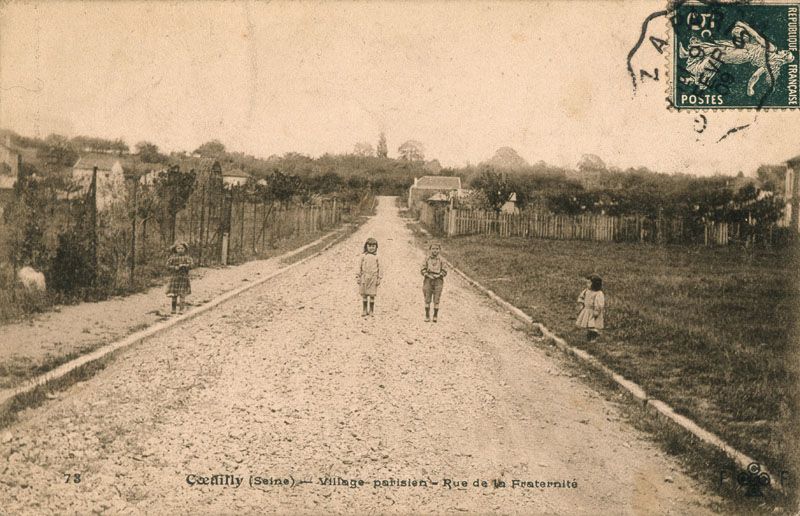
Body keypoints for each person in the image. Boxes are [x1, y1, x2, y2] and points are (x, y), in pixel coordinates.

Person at [421, 242, 447, 322]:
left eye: (437, 249)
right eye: (433, 249)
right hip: (428, 279)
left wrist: (439, 275)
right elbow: (422, 269)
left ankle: (435, 315)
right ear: (430, 250)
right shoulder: (427, 259)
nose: (435, 251)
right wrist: (427, 275)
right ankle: (427, 315)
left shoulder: (442, 260)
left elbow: (445, 271)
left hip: (438, 280)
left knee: (437, 298)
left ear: (439, 250)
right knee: (427, 297)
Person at [166, 241, 193, 315]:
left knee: (182, 294)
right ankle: (173, 309)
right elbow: (167, 266)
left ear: (185, 249)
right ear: (175, 249)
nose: (180, 250)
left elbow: (191, 265)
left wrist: (185, 266)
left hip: (183, 278)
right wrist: (175, 267)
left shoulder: (187, 257)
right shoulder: (172, 257)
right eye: (178, 248)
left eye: (182, 248)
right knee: (174, 295)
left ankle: (181, 309)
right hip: (174, 278)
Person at [357, 237, 382, 316]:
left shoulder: (377, 257)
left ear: (376, 247)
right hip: (364, 277)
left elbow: (380, 268)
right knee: (364, 294)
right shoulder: (363, 256)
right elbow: (359, 267)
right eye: (370, 246)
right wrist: (358, 276)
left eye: (373, 246)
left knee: (372, 294)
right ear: (366, 246)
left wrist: (379, 278)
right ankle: (364, 310)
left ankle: (371, 310)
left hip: (373, 277)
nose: (371, 248)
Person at [576, 274, 604, 341]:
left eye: (589, 283)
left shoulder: (598, 293)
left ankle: (594, 337)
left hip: (593, 311)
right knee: (588, 325)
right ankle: (589, 337)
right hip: (587, 310)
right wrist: (581, 303)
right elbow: (581, 297)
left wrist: (596, 310)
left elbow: (599, 303)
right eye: (587, 283)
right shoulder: (586, 291)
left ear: (595, 284)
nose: (587, 284)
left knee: (593, 325)